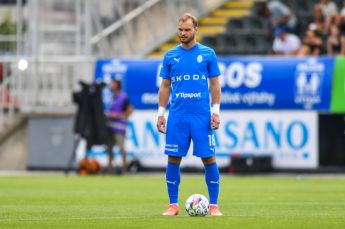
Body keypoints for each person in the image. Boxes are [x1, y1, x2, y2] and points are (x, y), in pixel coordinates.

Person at [156, 13, 222, 216]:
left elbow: (215, 84)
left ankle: (214, 206)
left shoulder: (208, 54)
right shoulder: (170, 56)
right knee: (173, 159)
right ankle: (173, 205)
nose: (183, 33)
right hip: (177, 116)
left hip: (201, 116)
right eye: (180, 30)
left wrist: (215, 112)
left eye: (187, 30)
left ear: (196, 30)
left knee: (209, 159)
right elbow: (165, 86)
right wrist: (161, 113)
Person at [106, 79, 134, 174]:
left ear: (117, 85)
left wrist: (118, 115)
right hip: (110, 127)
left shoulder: (123, 97)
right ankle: (110, 169)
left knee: (121, 148)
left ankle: (124, 168)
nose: (111, 85)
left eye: (113, 83)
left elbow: (130, 110)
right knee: (109, 148)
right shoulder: (113, 97)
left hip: (119, 128)